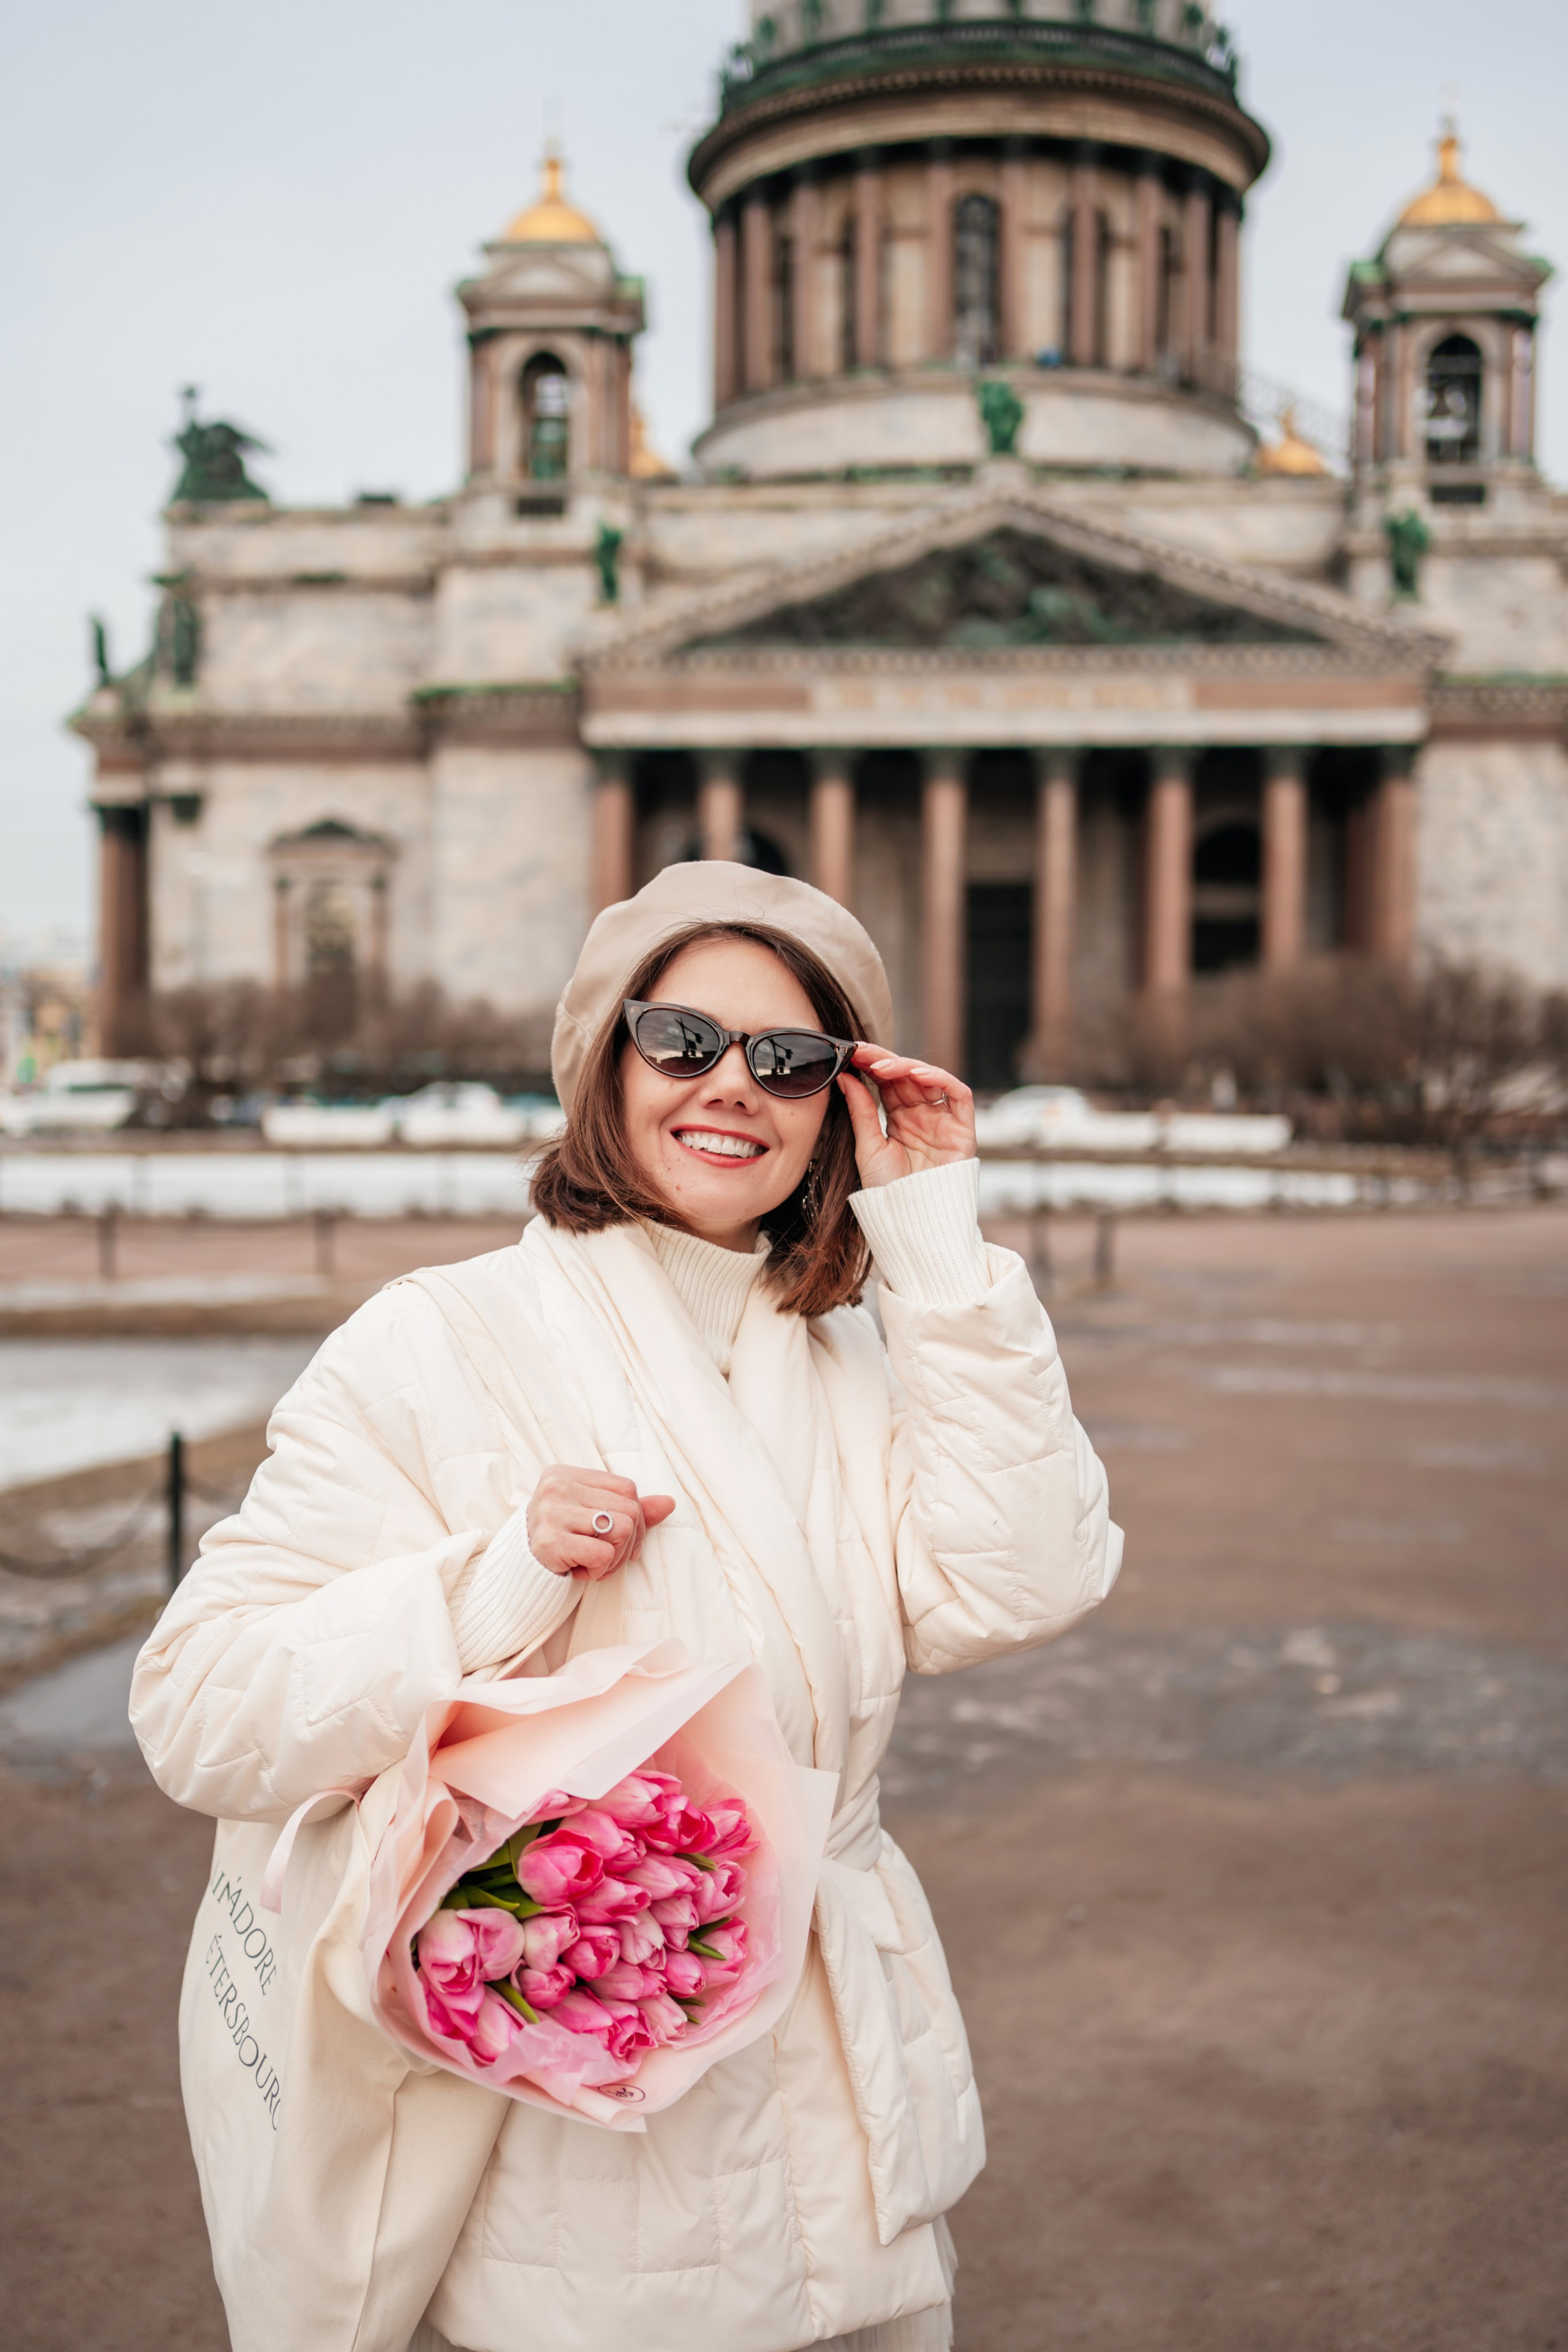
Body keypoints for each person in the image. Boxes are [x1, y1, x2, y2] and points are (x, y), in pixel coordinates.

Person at [133, 861, 1121, 2352]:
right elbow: (201, 1714)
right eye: (682, 1040)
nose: (733, 1086)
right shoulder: (436, 1341)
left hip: (847, 2132)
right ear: (603, 1058)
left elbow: (1026, 1579)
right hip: (576, 2150)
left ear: (834, 1106)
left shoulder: (857, 1357)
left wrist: (936, 1247)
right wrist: (492, 1582)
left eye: (790, 1060)